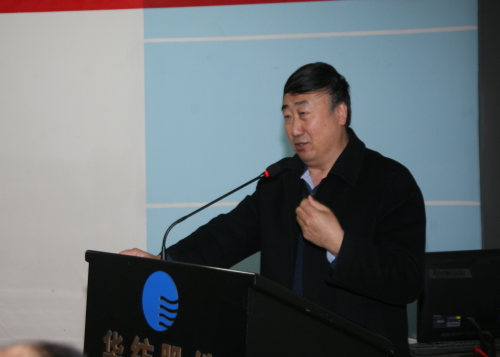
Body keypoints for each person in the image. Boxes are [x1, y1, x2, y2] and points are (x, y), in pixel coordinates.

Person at [122, 62, 426, 357]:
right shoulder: (281, 180)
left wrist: (339, 244)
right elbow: (225, 236)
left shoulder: (389, 181)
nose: (295, 129)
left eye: (303, 114)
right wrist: (164, 262)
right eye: (287, 116)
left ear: (341, 113)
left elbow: (407, 280)